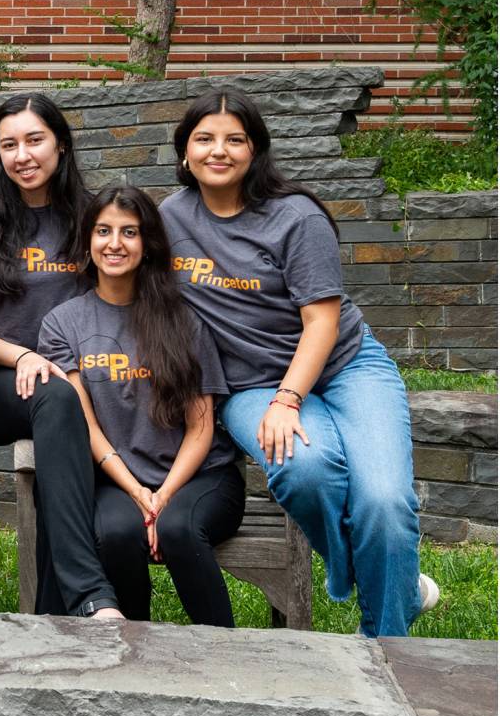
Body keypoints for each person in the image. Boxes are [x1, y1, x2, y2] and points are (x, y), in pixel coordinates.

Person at [162, 88, 437, 637]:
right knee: (304, 469)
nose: (220, 151)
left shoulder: (295, 216)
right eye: (205, 139)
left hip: (345, 367)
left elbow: (322, 322)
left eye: (235, 140)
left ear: (255, 150)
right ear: (185, 153)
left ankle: (387, 643)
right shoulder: (170, 217)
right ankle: (392, 582)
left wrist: (290, 400)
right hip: (250, 383)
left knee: (385, 499)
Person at [40, 185, 242, 626]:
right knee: (115, 531)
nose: (115, 243)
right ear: (88, 241)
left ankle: (228, 652)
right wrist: (136, 492)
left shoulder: (183, 318)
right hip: (116, 480)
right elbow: (84, 422)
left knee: (178, 530)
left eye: (129, 232)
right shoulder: (63, 323)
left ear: (148, 243)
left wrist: (163, 497)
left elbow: (201, 427)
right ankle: (134, 653)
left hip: (199, 478)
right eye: (104, 231)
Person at [0, 93, 116, 618]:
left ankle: (53, 614)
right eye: (8, 144)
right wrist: (24, 355)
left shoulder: (94, 219)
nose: (22, 154)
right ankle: (89, 591)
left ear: (61, 145)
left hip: (76, 383)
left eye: (34, 140)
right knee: (55, 394)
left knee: (62, 399)